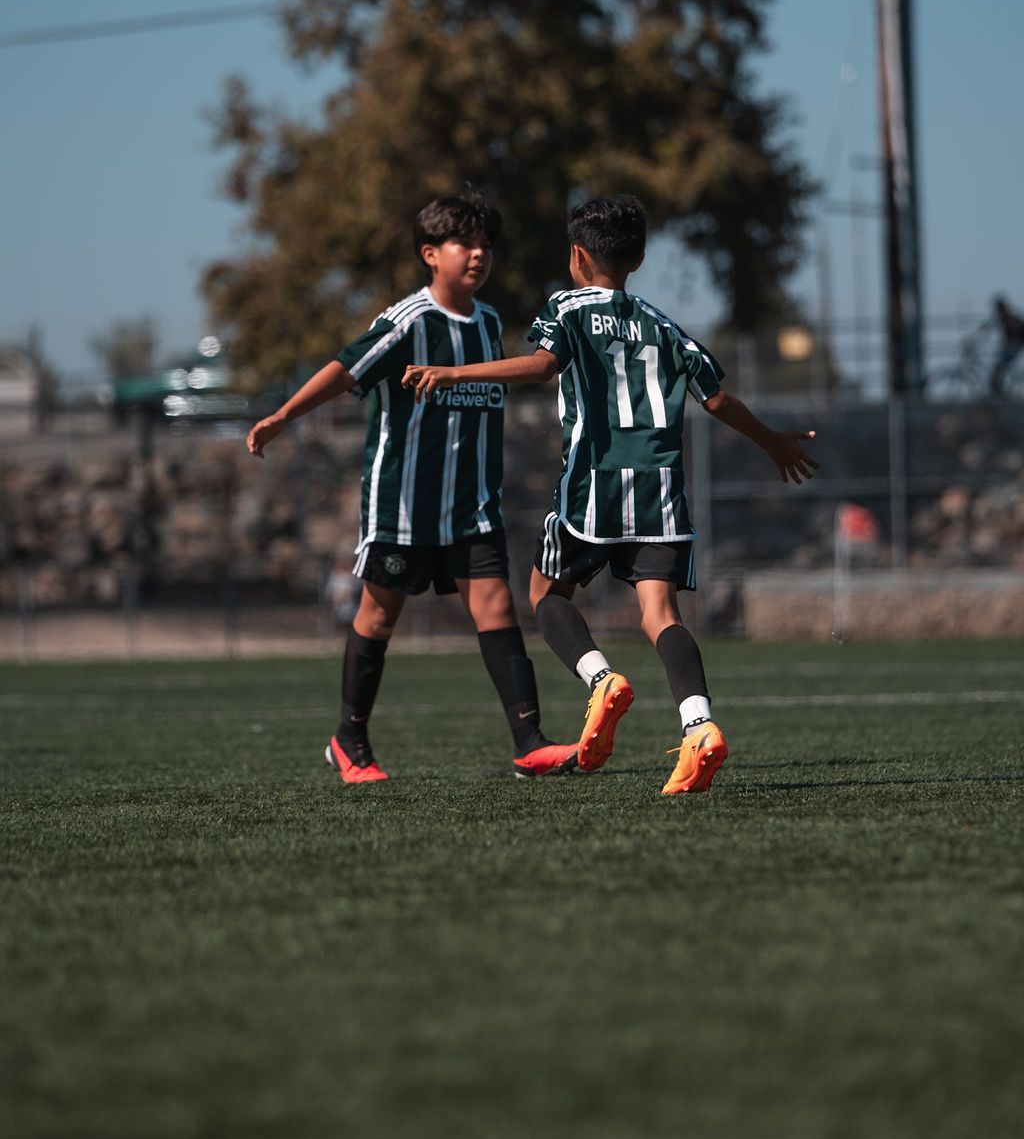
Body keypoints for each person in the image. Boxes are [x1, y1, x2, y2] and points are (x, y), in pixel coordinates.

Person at [404, 195, 818, 795]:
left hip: (595, 481)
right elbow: (717, 398)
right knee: (661, 614)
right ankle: (699, 726)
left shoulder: (567, 308)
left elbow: (543, 366)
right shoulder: (661, 323)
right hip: (661, 488)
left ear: (577, 256)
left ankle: (601, 680)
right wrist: (773, 442)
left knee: (546, 594)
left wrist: (452, 372)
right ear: (640, 260)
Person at [246, 188, 577, 784]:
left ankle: (530, 742)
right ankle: (349, 740)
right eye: (464, 244)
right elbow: (345, 368)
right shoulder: (408, 322)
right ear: (431, 253)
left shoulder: (492, 323)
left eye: (485, 246)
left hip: (472, 506)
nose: (478, 255)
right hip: (403, 505)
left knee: (497, 605)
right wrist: (283, 415)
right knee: (378, 615)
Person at [988, 296, 1024, 397]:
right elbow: (989, 324)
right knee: (999, 366)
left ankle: (997, 390)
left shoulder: (1007, 317)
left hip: (1014, 346)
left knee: (1000, 366)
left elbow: (1016, 329)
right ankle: (996, 389)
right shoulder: (1005, 316)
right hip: (1012, 345)